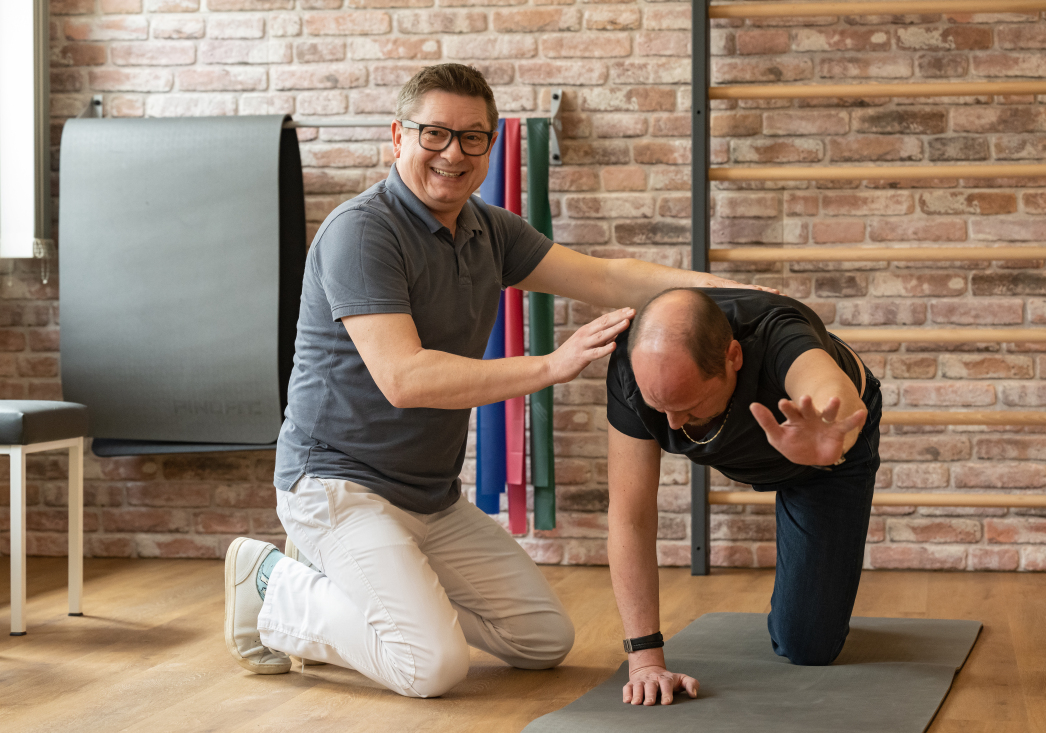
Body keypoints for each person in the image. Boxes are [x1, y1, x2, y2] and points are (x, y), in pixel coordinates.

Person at [223, 64, 771, 698]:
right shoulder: (362, 232)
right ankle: (270, 579)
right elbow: (405, 378)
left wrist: (732, 293)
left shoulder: (488, 229)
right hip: (337, 485)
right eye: (434, 134)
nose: (453, 153)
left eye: (472, 137)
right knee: (430, 666)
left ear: (490, 144)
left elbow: (606, 279)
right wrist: (551, 365)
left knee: (542, 641)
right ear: (397, 137)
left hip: (429, 496)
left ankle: (349, 590)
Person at [605, 287, 882, 706]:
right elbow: (631, 516)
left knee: (809, 648)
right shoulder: (633, 368)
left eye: (690, 405)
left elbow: (829, 389)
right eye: (659, 407)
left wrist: (829, 436)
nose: (674, 424)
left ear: (734, 357)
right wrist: (645, 660)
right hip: (774, 448)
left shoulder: (776, 334)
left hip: (825, 452)